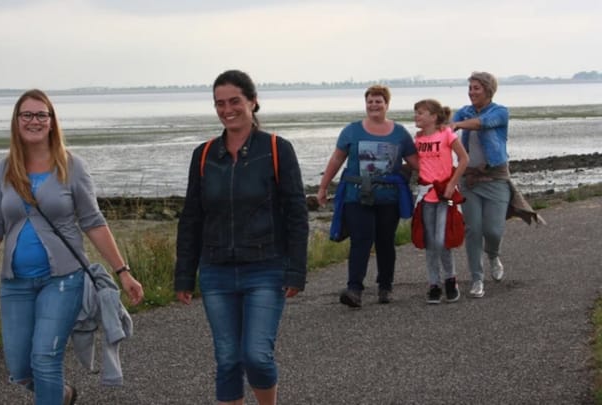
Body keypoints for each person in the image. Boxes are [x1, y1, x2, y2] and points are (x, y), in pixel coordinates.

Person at [0, 89, 144, 404]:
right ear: (17, 121)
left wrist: (123, 272)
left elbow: (93, 222)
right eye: (27, 115)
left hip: (63, 280)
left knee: (45, 359)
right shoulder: (3, 170)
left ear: (51, 122)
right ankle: (61, 395)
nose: (34, 121)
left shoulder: (72, 166)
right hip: (16, 283)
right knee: (20, 368)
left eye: (41, 115)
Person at [175, 70, 309, 405]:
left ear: (252, 101)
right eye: (219, 103)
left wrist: (296, 270)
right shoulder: (204, 155)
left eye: (234, 101)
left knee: (256, 356)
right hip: (216, 270)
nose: (227, 109)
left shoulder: (277, 149)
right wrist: (184, 275)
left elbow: (296, 214)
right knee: (228, 359)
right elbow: (191, 217)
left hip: (266, 268)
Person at [317, 85, 419, 307]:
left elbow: (415, 162)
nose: (374, 105)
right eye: (370, 101)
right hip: (357, 196)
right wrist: (323, 187)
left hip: (388, 198)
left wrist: (442, 176)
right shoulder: (352, 131)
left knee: (385, 242)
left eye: (378, 101)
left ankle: (385, 286)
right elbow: (336, 160)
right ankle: (354, 289)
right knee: (360, 241)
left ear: (386, 104)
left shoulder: (400, 133)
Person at [449, 72, 510, 298]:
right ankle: (477, 279)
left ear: (488, 90)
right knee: (473, 230)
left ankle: (493, 255)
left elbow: (483, 123)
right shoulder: (463, 112)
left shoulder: (500, 112)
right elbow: (448, 124)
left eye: (477, 88)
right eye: (471, 88)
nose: (472, 92)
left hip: (496, 178)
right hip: (469, 180)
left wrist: (457, 125)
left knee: (493, 230)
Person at [412, 99, 469, 304]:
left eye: (421, 113)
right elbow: (416, 163)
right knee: (429, 241)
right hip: (426, 195)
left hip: (445, 196)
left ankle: (450, 280)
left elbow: (464, 159)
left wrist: (452, 184)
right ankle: (434, 284)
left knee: (442, 239)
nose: (417, 116)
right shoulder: (417, 139)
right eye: (416, 112)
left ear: (433, 116)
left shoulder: (446, 134)